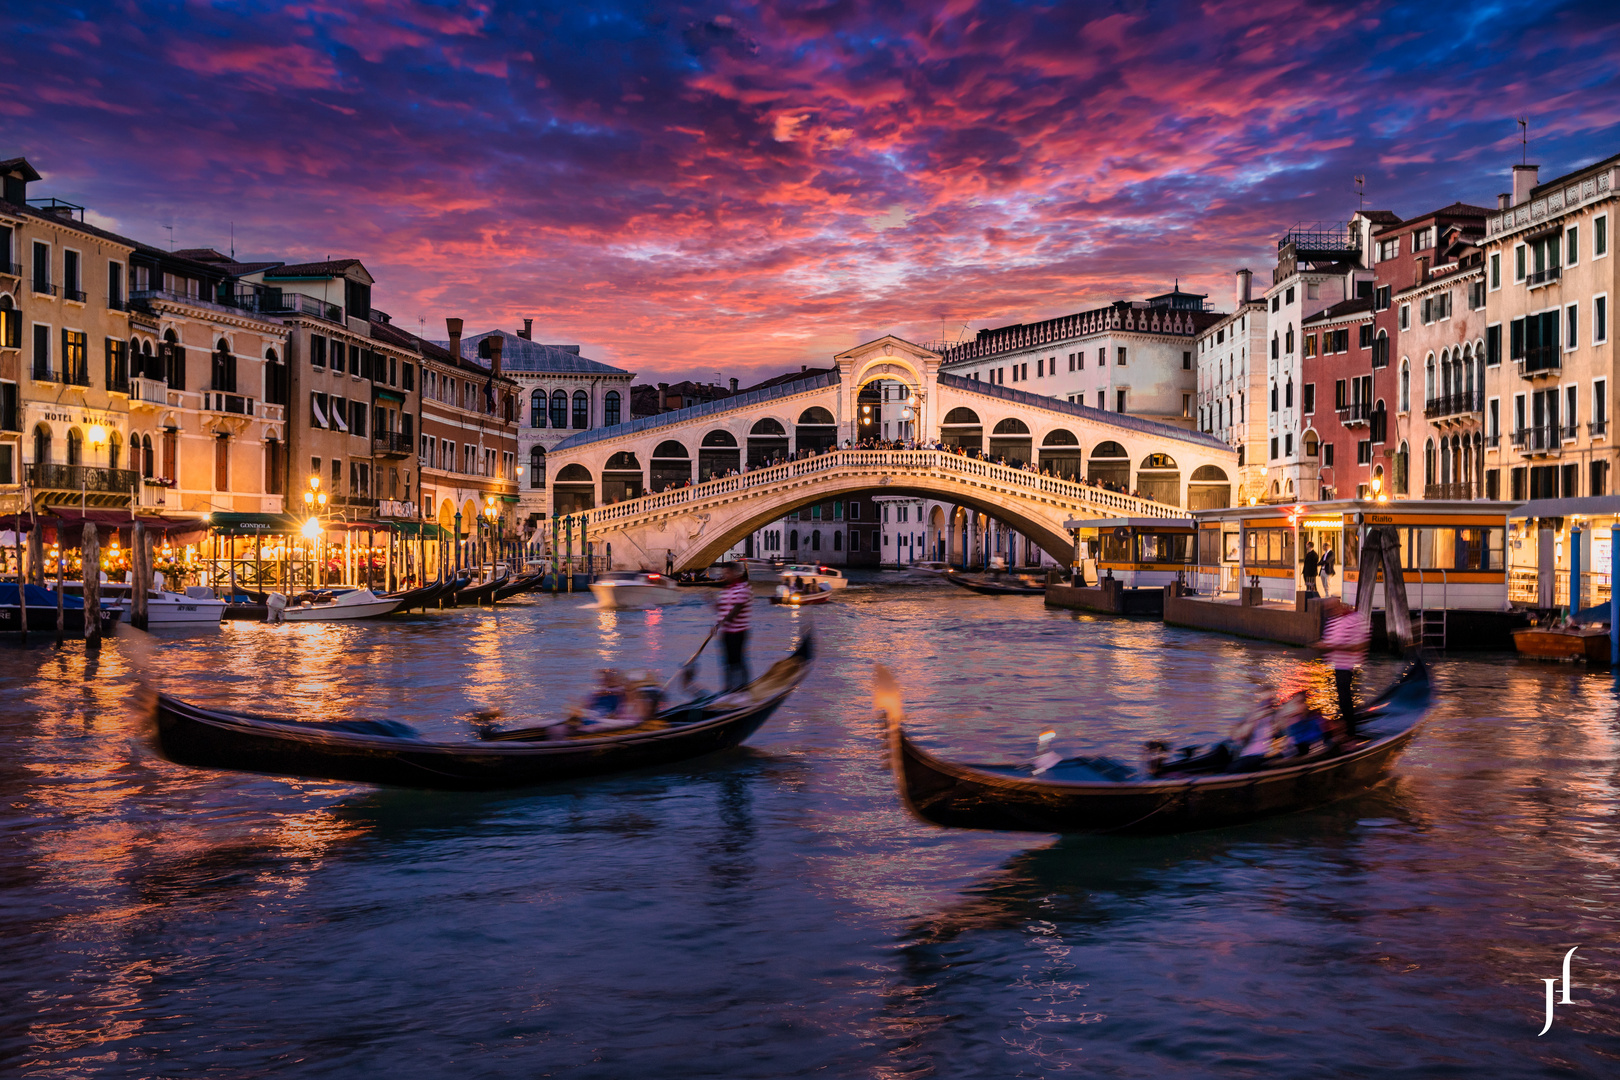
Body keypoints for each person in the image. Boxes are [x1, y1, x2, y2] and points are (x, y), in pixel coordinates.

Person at [1313, 598, 1370, 738]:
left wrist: (1330, 646)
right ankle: (1348, 724)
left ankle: (1351, 731)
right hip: (1338, 665)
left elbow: (1359, 646)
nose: (1328, 612)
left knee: (1345, 699)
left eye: (1330, 609)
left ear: (1337, 606)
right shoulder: (1333, 621)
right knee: (1342, 699)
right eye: (1327, 610)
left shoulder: (1356, 619)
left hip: (1350, 665)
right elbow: (1330, 642)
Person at [715, 561, 752, 693]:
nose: (725, 575)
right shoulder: (727, 590)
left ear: (735, 573)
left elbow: (735, 610)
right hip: (726, 631)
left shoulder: (743, 588)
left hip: (739, 631)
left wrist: (719, 624)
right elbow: (721, 609)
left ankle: (743, 687)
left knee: (737, 660)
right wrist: (710, 602)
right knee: (727, 662)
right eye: (724, 573)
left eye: (727, 573)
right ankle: (728, 688)